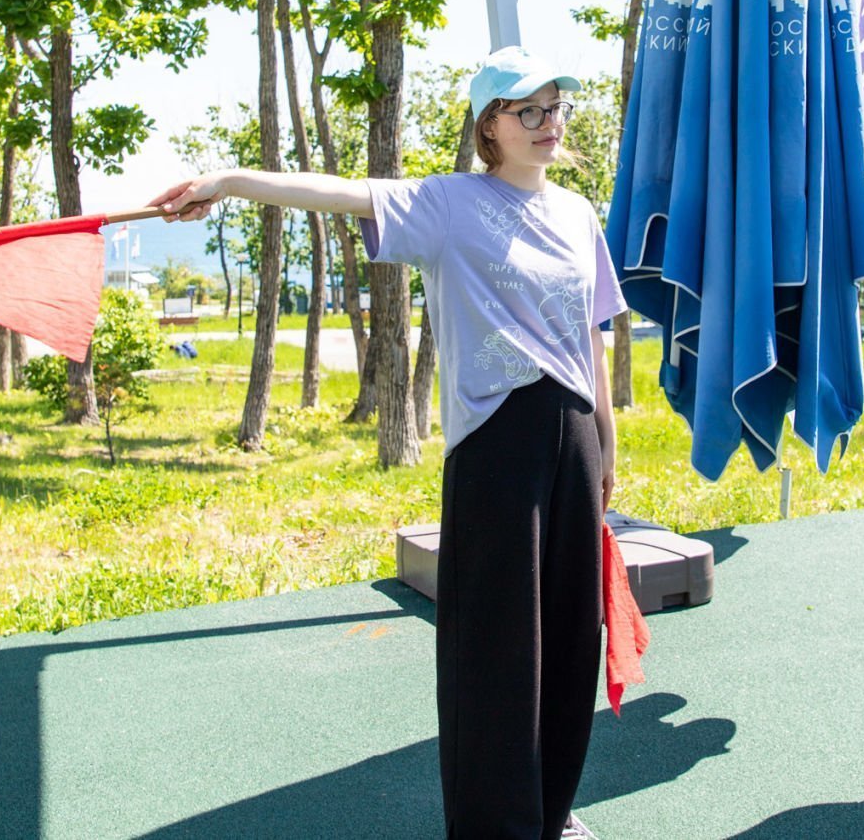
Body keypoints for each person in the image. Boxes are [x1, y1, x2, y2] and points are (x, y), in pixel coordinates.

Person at [148, 46, 624, 840]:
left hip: (573, 435)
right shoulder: (448, 204)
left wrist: (607, 441)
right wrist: (227, 180)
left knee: (574, 634)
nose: (549, 123)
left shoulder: (578, 213)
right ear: (490, 126)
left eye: (556, 107)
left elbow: (591, 331)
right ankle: (497, 827)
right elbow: (335, 192)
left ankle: (552, 813)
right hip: (496, 446)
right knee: (498, 644)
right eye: (529, 110)